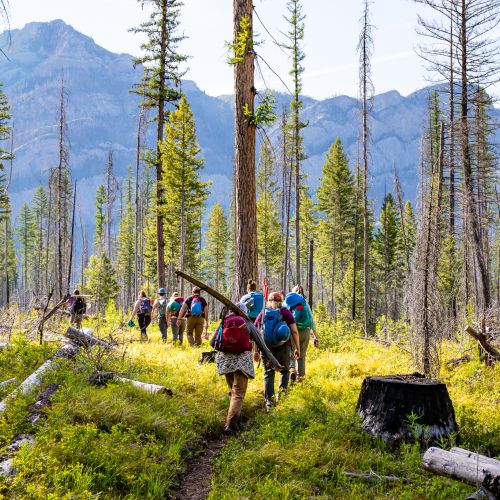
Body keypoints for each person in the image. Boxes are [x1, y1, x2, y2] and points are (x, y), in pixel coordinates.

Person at [211, 302, 254, 434]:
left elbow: (213, 342)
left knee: (233, 391)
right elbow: (259, 340)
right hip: (241, 361)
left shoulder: (225, 321)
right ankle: (230, 424)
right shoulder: (246, 322)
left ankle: (236, 418)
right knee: (238, 393)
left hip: (225, 360)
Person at [254, 291, 300, 411]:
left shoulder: (263, 313)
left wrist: (256, 351)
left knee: (269, 373)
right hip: (284, 348)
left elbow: (256, 333)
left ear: (268, 301)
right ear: (281, 301)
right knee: (284, 371)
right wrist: (297, 348)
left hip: (266, 348)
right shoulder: (285, 312)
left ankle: (269, 402)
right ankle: (282, 398)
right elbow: (294, 331)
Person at [285, 285, 319, 382]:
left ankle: (292, 370)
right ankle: (300, 378)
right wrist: (316, 336)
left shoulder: (288, 302)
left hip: (292, 330)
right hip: (305, 331)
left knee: (291, 352)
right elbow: (311, 320)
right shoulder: (305, 303)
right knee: (302, 355)